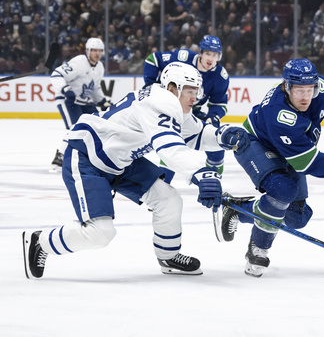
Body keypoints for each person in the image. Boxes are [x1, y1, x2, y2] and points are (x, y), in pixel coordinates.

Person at [22, 62, 249, 279]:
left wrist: (221, 136)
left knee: (168, 199)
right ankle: (41, 241)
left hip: (121, 161)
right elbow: (169, 145)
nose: (195, 97)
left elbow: (196, 135)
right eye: (189, 90)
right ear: (172, 88)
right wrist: (201, 172)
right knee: (100, 233)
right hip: (88, 157)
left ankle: (168, 256)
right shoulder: (160, 102)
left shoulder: (169, 103)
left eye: (196, 91)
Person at [219, 58, 324, 278]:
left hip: (291, 149)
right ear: (286, 86)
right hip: (255, 143)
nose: (305, 96)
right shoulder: (279, 114)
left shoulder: (323, 89)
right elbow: (307, 162)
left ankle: (238, 209)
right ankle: (259, 248)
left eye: (309, 89)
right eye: (299, 90)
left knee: (297, 218)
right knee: (282, 190)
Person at [144, 35, 229, 177]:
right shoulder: (183, 57)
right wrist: (150, 85)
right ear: (201, 53)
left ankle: (213, 185)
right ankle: (161, 185)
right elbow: (153, 59)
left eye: (215, 55)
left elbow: (219, 103)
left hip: (190, 111)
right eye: (208, 53)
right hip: (166, 108)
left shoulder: (220, 76)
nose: (211, 59)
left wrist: (213, 116)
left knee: (217, 143)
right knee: (173, 144)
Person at [49, 38, 111, 172]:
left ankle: (90, 156)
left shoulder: (99, 67)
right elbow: (56, 75)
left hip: (83, 101)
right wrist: (65, 89)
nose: (97, 54)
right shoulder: (79, 62)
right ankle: (60, 156)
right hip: (68, 100)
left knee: (96, 125)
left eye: (99, 51)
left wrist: (102, 101)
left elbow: (94, 87)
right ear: (87, 51)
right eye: (94, 50)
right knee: (75, 128)